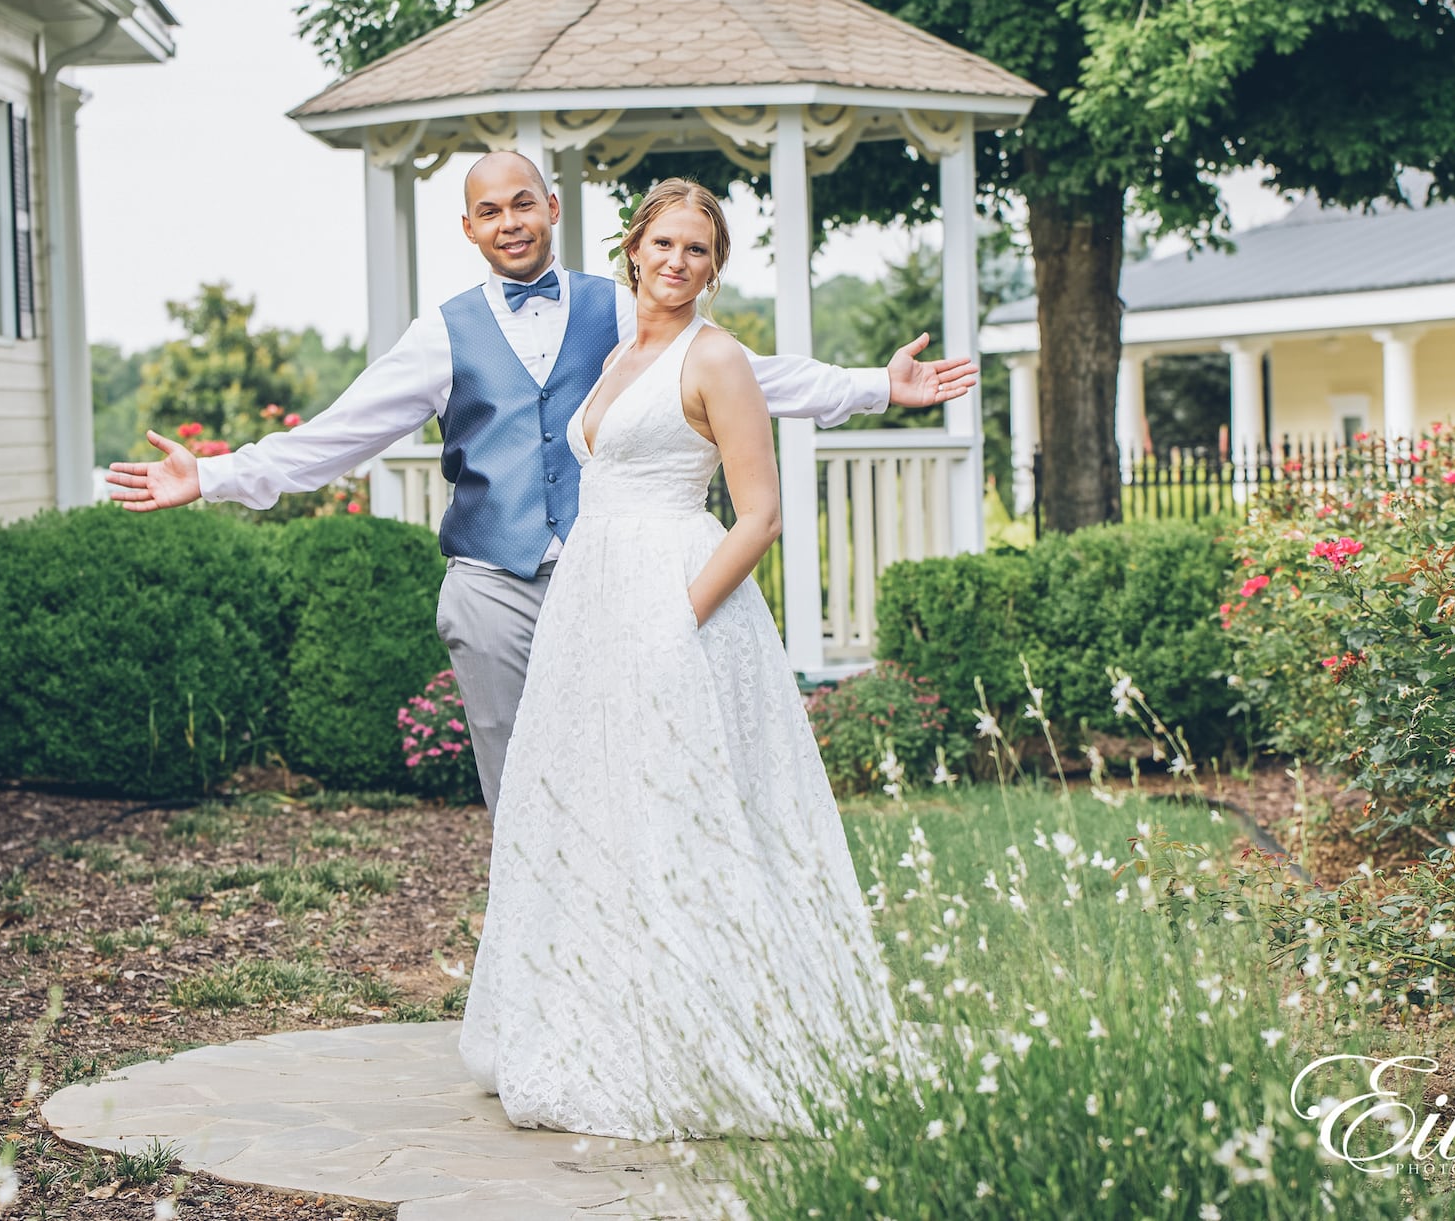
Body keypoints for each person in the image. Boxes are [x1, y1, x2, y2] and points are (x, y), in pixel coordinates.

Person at [105, 152, 976, 813]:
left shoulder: (621, 306)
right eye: (490, 211)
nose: (511, 221)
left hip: (604, 582)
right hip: (490, 587)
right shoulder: (440, 334)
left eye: (525, 202)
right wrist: (214, 473)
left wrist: (870, 385)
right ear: (470, 230)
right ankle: (539, 973)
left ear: (554, 208)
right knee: (521, 797)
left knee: (626, 781)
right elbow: (338, 435)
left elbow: (748, 375)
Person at [457, 178, 901, 1140]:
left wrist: (676, 616)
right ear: (632, 248)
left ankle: (705, 1033)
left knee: (681, 807)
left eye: (697, 250)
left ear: (715, 264)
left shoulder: (719, 357)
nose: (677, 262)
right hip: (592, 599)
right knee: (597, 807)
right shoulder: (621, 350)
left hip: (676, 594)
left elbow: (762, 515)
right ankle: (594, 1011)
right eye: (663, 242)